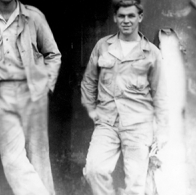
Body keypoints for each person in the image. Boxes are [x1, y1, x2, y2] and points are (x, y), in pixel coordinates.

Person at [81, 0, 168, 194]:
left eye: (131, 16)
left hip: (139, 125)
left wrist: (162, 130)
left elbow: (160, 94)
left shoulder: (151, 53)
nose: (126, 20)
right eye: (122, 16)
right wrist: (91, 109)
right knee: (94, 170)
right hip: (107, 123)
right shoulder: (103, 46)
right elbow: (88, 81)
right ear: (115, 18)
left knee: (136, 186)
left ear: (140, 17)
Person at [0, 0, 61, 194]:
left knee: (39, 159)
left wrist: (46, 88)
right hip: (3, 97)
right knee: (12, 160)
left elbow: (53, 54)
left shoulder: (33, 17)